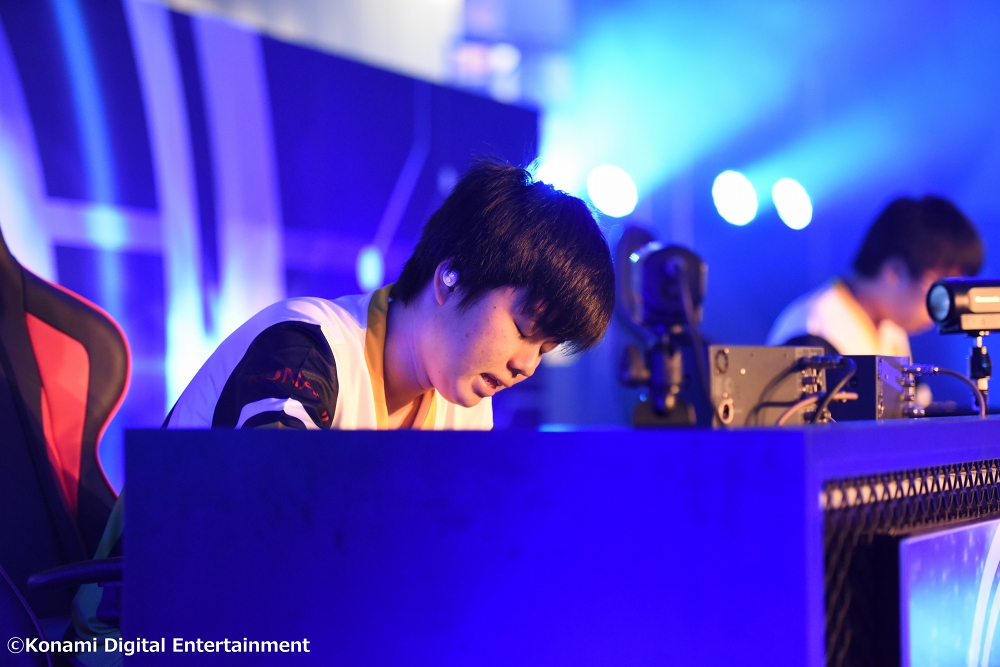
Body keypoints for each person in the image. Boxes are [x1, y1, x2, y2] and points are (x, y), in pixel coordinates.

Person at [67, 160, 616, 666]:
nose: (526, 365)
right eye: (524, 329)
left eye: (544, 349)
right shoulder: (303, 348)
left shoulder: (469, 411)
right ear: (451, 276)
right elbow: (274, 554)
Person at [767, 196, 983, 356]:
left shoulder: (891, 329)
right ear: (895, 271)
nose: (943, 307)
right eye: (939, 290)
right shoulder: (813, 329)